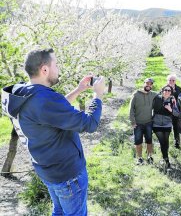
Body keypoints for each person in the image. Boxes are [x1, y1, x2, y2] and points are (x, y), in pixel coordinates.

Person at [1, 48, 105, 215]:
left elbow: (52, 110)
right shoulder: (44, 100)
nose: (58, 69)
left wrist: (79, 90)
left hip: (48, 171)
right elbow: (90, 124)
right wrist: (97, 96)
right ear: (44, 69)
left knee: (58, 211)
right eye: (55, 64)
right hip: (68, 175)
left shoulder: (23, 94)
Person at [129, 78, 158, 165]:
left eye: (150, 84)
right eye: (147, 83)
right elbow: (131, 109)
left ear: (152, 85)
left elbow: (164, 95)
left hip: (149, 122)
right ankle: (140, 158)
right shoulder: (136, 94)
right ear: (144, 83)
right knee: (138, 141)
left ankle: (149, 156)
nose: (148, 85)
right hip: (138, 123)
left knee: (149, 140)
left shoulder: (153, 95)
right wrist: (132, 121)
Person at [152, 85, 179, 169]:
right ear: (162, 90)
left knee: (166, 141)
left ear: (171, 92)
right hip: (157, 123)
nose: (167, 92)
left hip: (167, 124)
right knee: (162, 141)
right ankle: (166, 160)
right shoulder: (156, 98)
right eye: (165, 90)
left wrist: (170, 109)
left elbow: (177, 113)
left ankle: (165, 158)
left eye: (169, 90)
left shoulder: (172, 100)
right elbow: (150, 108)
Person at [167, 74, 181, 149]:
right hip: (167, 111)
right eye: (170, 80)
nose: (171, 82)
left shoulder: (179, 88)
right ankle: (165, 143)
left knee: (176, 126)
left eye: (173, 80)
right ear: (167, 81)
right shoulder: (164, 88)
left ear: (175, 81)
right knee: (167, 127)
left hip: (176, 111)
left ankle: (177, 142)